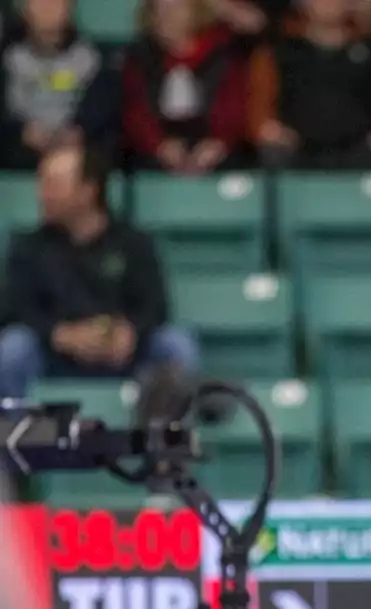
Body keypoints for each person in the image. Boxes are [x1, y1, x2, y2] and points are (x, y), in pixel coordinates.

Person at [0, 143, 199, 401]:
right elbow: (14, 310)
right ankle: (15, 434)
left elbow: (155, 307)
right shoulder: (27, 247)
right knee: (14, 347)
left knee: (176, 344)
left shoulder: (134, 243)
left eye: (53, 184)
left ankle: (169, 434)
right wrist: (59, 335)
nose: (43, 194)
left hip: (124, 355)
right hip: (55, 355)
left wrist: (130, 332)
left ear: (88, 189)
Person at [246, 0, 371, 169]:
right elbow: (259, 103)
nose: (329, 3)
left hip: (361, 148)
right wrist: (266, 127)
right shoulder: (277, 51)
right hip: (297, 150)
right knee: (270, 156)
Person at [119, 0, 249, 173]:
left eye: (175, 8)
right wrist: (158, 145)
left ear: (195, 11)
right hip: (156, 151)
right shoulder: (140, 57)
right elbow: (135, 111)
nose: (166, 16)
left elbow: (235, 106)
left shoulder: (223, 53)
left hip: (214, 148)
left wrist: (219, 143)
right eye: (159, 9)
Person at [0, 0, 117, 169]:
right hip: (16, 157)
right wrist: (21, 132)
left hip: (75, 158)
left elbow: (99, 115)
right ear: (24, 9)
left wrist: (77, 132)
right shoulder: (7, 59)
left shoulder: (92, 60)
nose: (48, 8)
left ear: (70, 7)